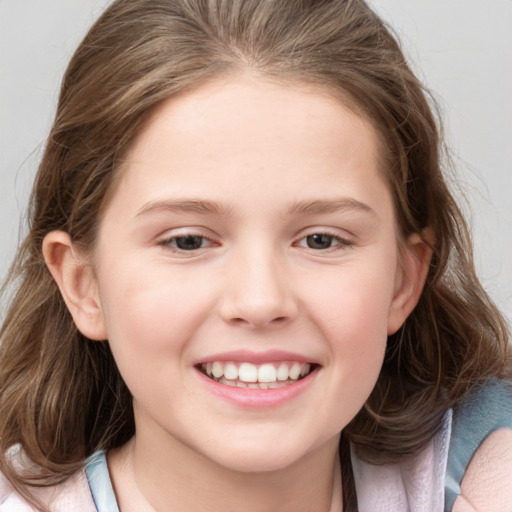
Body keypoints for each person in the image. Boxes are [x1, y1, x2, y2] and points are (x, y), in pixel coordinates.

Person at [0, 0, 511, 511]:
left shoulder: (485, 473)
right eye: (188, 241)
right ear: (82, 285)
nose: (260, 300)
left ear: (403, 278)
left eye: (321, 240)